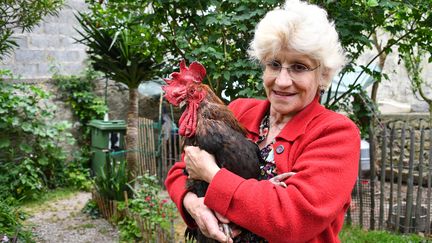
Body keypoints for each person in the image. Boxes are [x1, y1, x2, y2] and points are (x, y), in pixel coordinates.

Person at [165, 0, 360, 242]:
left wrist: (212, 175)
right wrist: (194, 205)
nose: (282, 81)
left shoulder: (336, 133)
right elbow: (180, 172)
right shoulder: (238, 111)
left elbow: (292, 218)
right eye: (274, 64)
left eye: (299, 67)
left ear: (323, 75)